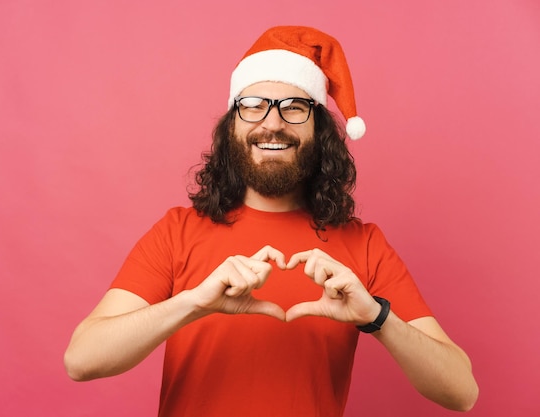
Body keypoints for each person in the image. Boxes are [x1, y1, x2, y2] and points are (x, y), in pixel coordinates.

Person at [64, 26, 478, 416]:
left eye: (294, 107)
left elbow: (462, 391)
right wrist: (193, 303)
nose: (273, 123)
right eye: (253, 106)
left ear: (320, 131)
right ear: (231, 127)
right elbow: (82, 359)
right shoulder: (177, 231)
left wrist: (375, 316)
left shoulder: (364, 245)